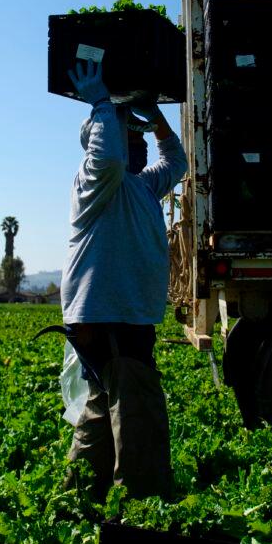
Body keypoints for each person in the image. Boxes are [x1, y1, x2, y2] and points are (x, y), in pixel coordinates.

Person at [60, 60, 188, 501]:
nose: (140, 148)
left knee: (103, 405)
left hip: (120, 315)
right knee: (138, 413)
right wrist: (100, 103)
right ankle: (142, 505)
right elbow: (109, 154)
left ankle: (78, 497)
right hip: (109, 316)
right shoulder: (96, 180)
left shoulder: (141, 186)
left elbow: (177, 162)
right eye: (130, 137)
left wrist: (156, 122)